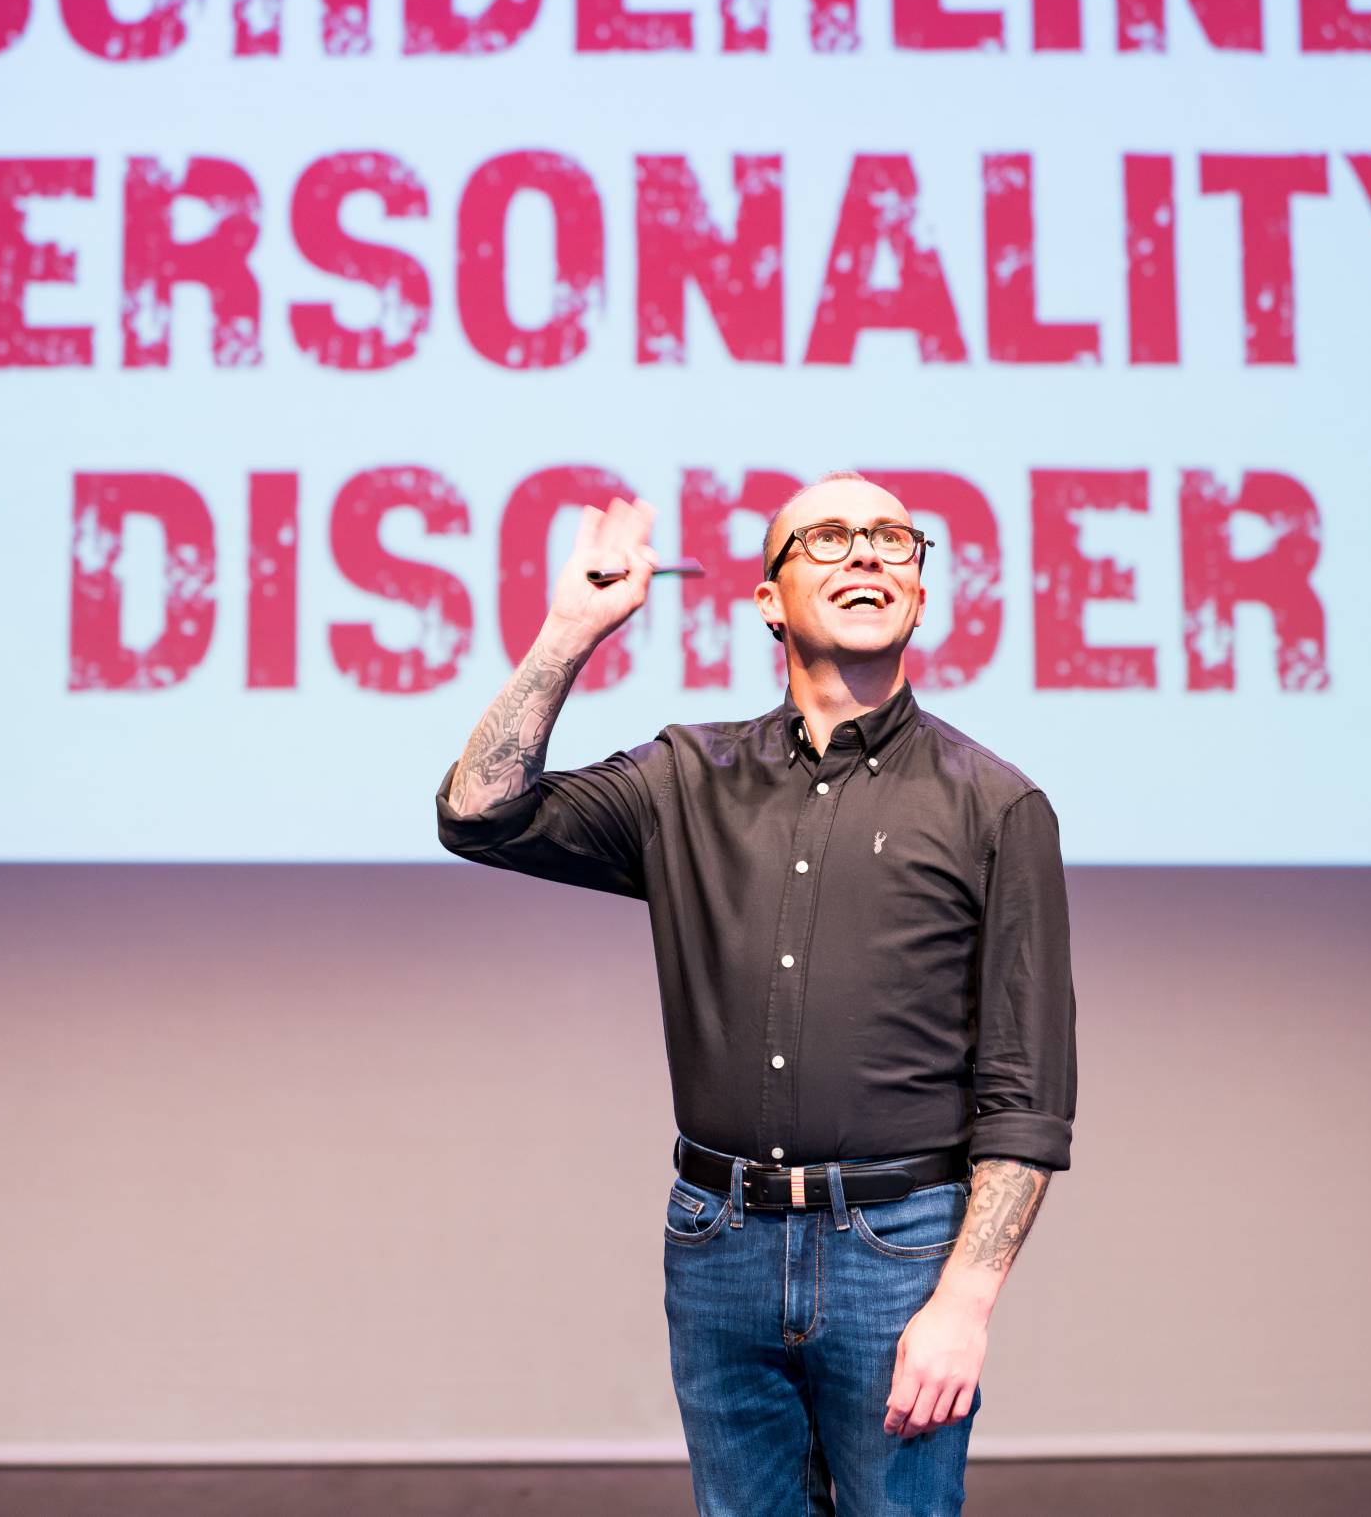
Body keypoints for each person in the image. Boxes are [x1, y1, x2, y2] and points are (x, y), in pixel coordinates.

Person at [435, 474, 1076, 1516]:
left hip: (897, 1247)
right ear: (768, 602)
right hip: (717, 1238)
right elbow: (480, 815)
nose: (867, 553)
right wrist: (568, 633)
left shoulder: (995, 805)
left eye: (891, 540)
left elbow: (1027, 1090)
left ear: (918, 592)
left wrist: (964, 1301)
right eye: (827, 537)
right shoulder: (687, 776)